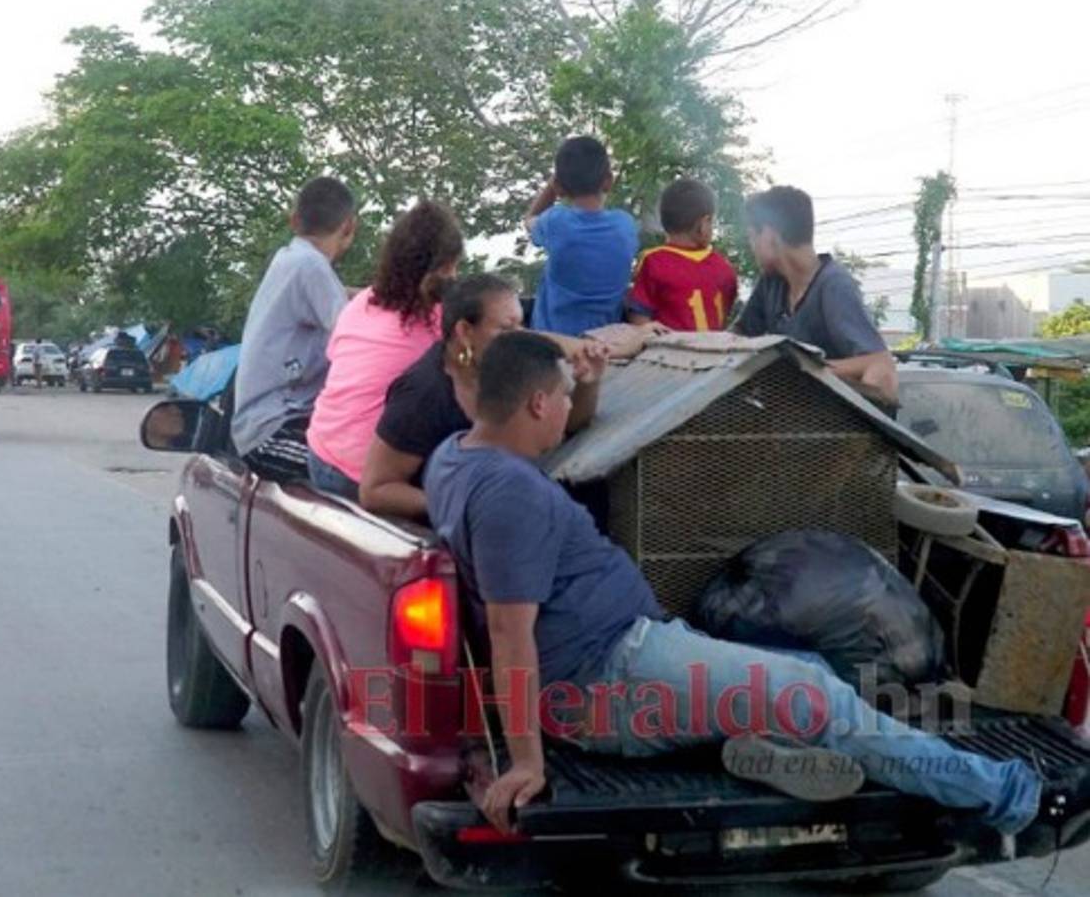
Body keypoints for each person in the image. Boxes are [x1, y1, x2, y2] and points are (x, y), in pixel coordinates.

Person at [424, 331, 1057, 839]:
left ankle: (760, 744)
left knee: (812, 666)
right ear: (536, 403)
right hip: (608, 680)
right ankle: (1003, 793)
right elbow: (511, 633)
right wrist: (527, 761)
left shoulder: (455, 454)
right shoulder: (510, 493)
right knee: (816, 694)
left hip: (632, 654)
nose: (569, 411)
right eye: (564, 398)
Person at [359, 274, 609, 519]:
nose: (519, 336)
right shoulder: (423, 395)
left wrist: (588, 383)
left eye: (520, 326)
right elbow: (375, 490)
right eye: (506, 328)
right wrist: (467, 505)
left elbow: (569, 426)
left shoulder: (508, 365)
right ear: (465, 331)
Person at [305, 200, 463, 499]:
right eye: (452, 266)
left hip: (319, 453)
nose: (454, 276)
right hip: (362, 477)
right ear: (442, 268)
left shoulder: (362, 303)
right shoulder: (442, 322)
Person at [231, 177, 357, 480]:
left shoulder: (291, 258)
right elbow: (357, 334)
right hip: (274, 429)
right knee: (353, 474)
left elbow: (345, 296)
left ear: (294, 220)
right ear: (350, 227)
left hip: (281, 420)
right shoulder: (311, 267)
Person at [734, 186, 898, 407]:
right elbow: (737, 338)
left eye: (753, 237)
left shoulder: (833, 286)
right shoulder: (771, 284)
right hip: (785, 423)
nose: (752, 247)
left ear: (770, 236)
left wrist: (805, 369)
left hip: (825, 426)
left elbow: (880, 363)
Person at [525, 136, 639, 336]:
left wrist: (551, 189)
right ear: (608, 181)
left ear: (559, 186)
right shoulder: (625, 225)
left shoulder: (556, 221)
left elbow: (530, 218)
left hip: (554, 346)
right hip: (604, 345)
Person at [627, 178, 738, 331]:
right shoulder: (724, 267)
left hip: (668, 352)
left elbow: (639, 315)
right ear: (704, 224)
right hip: (716, 352)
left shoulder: (654, 261)